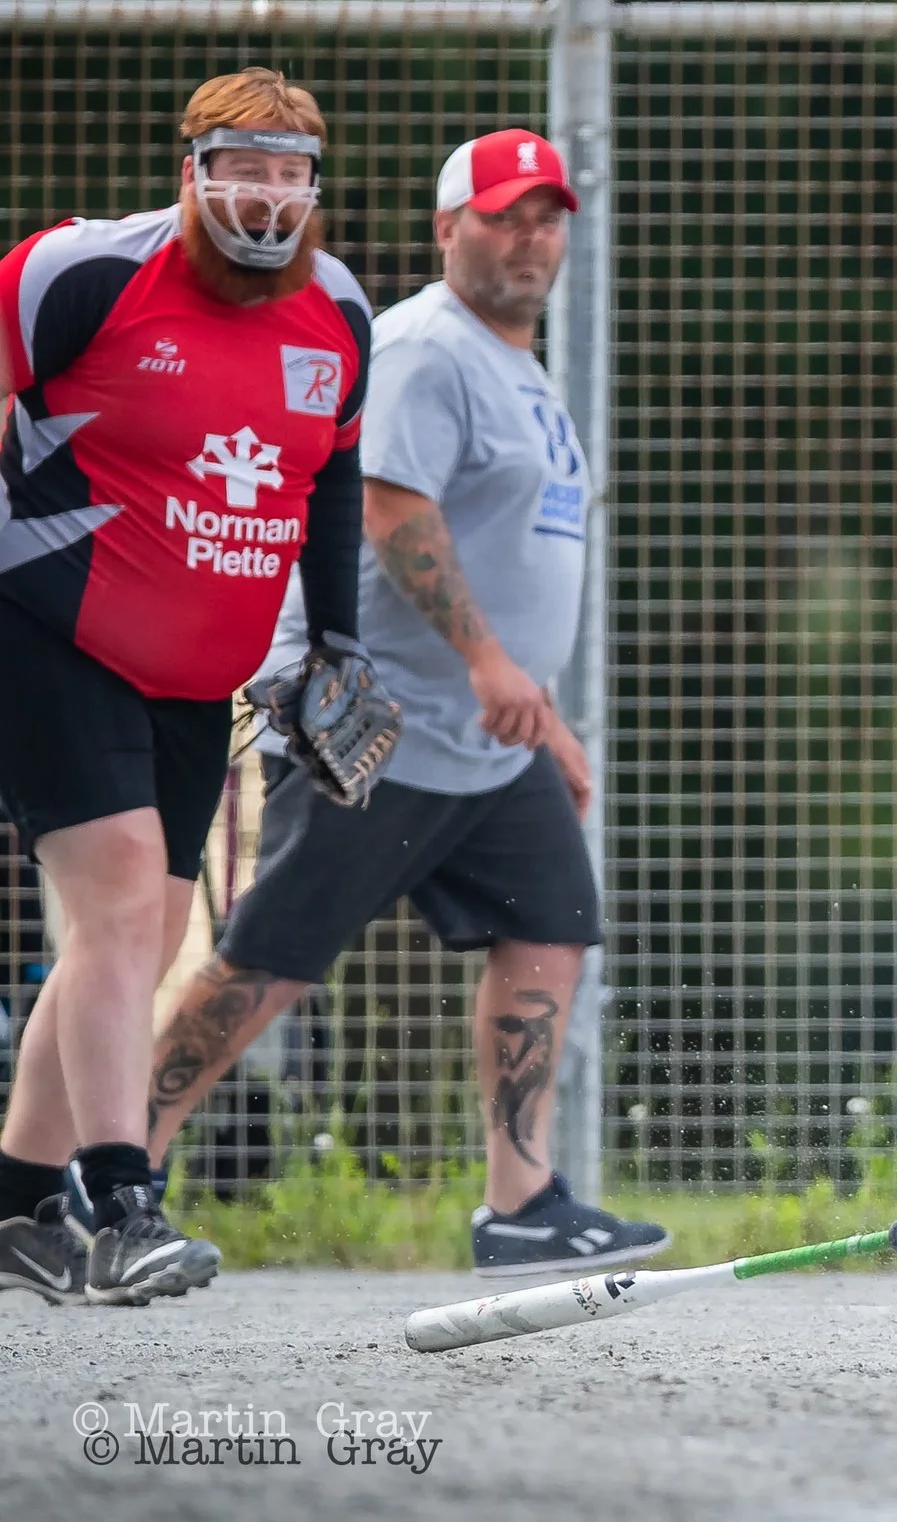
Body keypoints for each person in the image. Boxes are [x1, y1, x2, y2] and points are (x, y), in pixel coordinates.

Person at [139, 129, 668, 1279]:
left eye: (547, 218)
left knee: (551, 927)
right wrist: (487, 660)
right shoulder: (427, 346)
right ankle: (115, 1163)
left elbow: (515, 555)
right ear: (447, 228)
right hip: (378, 729)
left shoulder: (514, 365)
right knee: (267, 962)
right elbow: (389, 506)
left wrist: (541, 710)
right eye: (503, 215)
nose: (529, 238)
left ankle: (521, 1203)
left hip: (486, 737)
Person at [0, 68, 372, 1305]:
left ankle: (14, 1207)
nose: (267, 195)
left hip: (195, 672)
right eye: (243, 167)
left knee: (147, 936)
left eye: (290, 171)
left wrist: (336, 643)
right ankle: (118, 1204)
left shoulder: (337, 312)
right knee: (115, 898)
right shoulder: (79, 274)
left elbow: (329, 479)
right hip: (49, 627)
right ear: (192, 171)